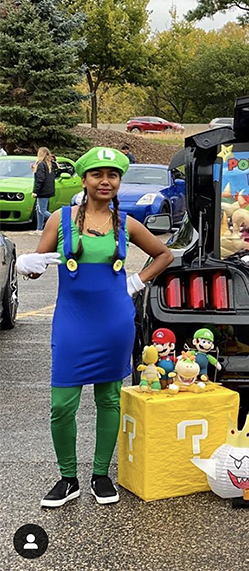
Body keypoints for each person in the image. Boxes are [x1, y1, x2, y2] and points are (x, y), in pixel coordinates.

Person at [16, 147, 174, 508]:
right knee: (62, 404)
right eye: (97, 175)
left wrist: (136, 282)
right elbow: (38, 264)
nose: (106, 182)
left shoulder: (127, 223)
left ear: (119, 181)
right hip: (72, 322)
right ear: (84, 180)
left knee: (109, 399)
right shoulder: (61, 218)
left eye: (113, 176)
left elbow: (164, 254)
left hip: (114, 323)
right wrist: (27, 262)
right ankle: (67, 478)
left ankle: (100, 476)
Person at [31, 147, 55, 233]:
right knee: (39, 209)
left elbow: (40, 179)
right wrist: (35, 169)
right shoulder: (50, 164)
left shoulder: (41, 164)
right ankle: (39, 228)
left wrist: (35, 191)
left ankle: (59, 221)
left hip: (43, 190)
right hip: (48, 190)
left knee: (43, 210)